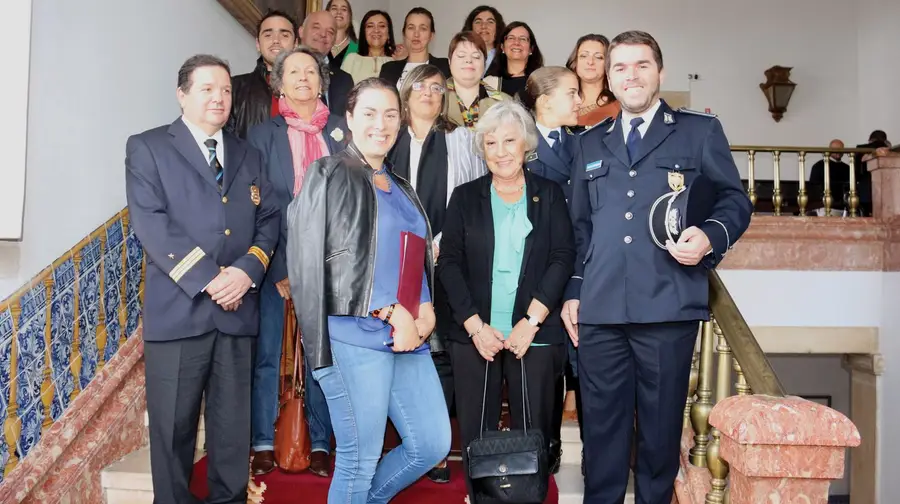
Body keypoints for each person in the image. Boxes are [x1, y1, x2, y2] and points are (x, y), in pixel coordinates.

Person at [562, 31, 752, 504]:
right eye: (621, 67)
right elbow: (578, 229)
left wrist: (709, 235)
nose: (631, 76)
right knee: (601, 442)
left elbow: (734, 200)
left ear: (659, 72)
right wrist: (572, 291)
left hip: (668, 308)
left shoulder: (698, 131)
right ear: (609, 78)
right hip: (600, 311)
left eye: (641, 65)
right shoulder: (587, 144)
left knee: (659, 442)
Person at [286, 77, 451, 504]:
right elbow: (317, 256)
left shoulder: (401, 186)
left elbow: (411, 255)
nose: (382, 123)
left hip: (407, 336)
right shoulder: (330, 172)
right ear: (350, 119)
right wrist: (388, 310)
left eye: (391, 114)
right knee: (358, 459)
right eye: (370, 113)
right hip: (352, 335)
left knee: (431, 444)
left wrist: (426, 308)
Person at [125, 54, 280, 502]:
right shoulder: (149, 146)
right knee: (173, 432)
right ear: (182, 94)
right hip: (180, 312)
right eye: (208, 88)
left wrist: (247, 272)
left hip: (236, 314)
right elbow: (152, 224)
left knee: (232, 432)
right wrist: (214, 280)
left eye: (227, 90)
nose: (219, 98)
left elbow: (268, 218)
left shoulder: (247, 152)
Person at [437, 100, 575, 502]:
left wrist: (531, 321)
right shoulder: (465, 198)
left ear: (525, 144)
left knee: (534, 433)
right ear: (482, 150)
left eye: (509, 140)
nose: (500, 151)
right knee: (478, 434)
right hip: (475, 333)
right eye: (491, 142)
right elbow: (448, 264)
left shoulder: (549, 194)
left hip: (533, 331)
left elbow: (562, 257)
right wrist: (475, 326)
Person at [246, 46, 349, 477]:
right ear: (279, 81)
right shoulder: (261, 134)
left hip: (331, 266)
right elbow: (262, 205)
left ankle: (322, 442)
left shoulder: (343, 132)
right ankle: (264, 441)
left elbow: (350, 204)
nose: (304, 77)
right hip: (276, 264)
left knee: (323, 354)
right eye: (294, 72)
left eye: (312, 70)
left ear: (323, 80)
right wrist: (282, 266)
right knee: (270, 352)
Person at [388, 63, 487, 483]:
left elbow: (474, 191)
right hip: (393, 257)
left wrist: (447, 237)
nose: (429, 93)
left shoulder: (460, 138)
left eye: (436, 87)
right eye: (420, 87)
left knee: (441, 348)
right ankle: (402, 442)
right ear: (405, 94)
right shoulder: (388, 136)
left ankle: (439, 450)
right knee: (396, 344)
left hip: (446, 253)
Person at [520, 65, 583, 474]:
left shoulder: (584, 145)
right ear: (544, 102)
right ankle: (540, 448)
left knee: (575, 364)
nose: (580, 101)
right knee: (540, 370)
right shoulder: (522, 145)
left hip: (578, 268)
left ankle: (571, 446)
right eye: (572, 93)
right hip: (536, 273)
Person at [227, 10, 299, 139]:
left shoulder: (309, 87)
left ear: (296, 44)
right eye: (268, 35)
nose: (276, 40)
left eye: (284, 35)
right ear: (257, 44)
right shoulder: (234, 88)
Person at [444, 31, 509, 129]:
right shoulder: (433, 97)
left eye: (476, 56)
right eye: (461, 55)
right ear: (449, 61)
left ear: (484, 63)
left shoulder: (505, 103)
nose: (469, 60)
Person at [298, 10, 354, 116]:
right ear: (301, 31)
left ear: (333, 40)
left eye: (330, 32)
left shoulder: (345, 80)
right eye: (316, 27)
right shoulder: (284, 70)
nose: (323, 34)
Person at [379, 7, 450, 89]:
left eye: (423, 28)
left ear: (431, 35)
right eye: (411, 28)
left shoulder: (446, 66)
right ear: (404, 33)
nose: (416, 34)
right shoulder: (388, 69)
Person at [566, 34, 621, 128]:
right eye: (584, 56)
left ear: (608, 64)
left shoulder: (619, 106)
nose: (590, 62)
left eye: (599, 57)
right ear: (575, 61)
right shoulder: (560, 101)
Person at [484, 21, 544, 100]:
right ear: (502, 47)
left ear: (531, 49)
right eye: (511, 38)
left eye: (523, 39)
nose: (516, 42)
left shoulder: (541, 82)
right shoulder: (489, 84)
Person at [340, 10, 398, 83]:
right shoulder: (352, 60)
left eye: (382, 26)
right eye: (370, 26)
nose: (376, 30)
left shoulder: (397, 61)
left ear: (389, 33)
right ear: (364, 33)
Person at [461, 6, 506, 72]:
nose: (483, 26)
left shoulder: (507, 61)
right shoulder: (459, 59)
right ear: (471, 28)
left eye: (490, 22)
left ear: (498, 29)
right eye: (478, 22)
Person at [327, 0, 358, 70]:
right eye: (334, 8)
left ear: (349, 16)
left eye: (344, 9)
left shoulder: (359, 48)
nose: (339, 12)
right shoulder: (318, 45)